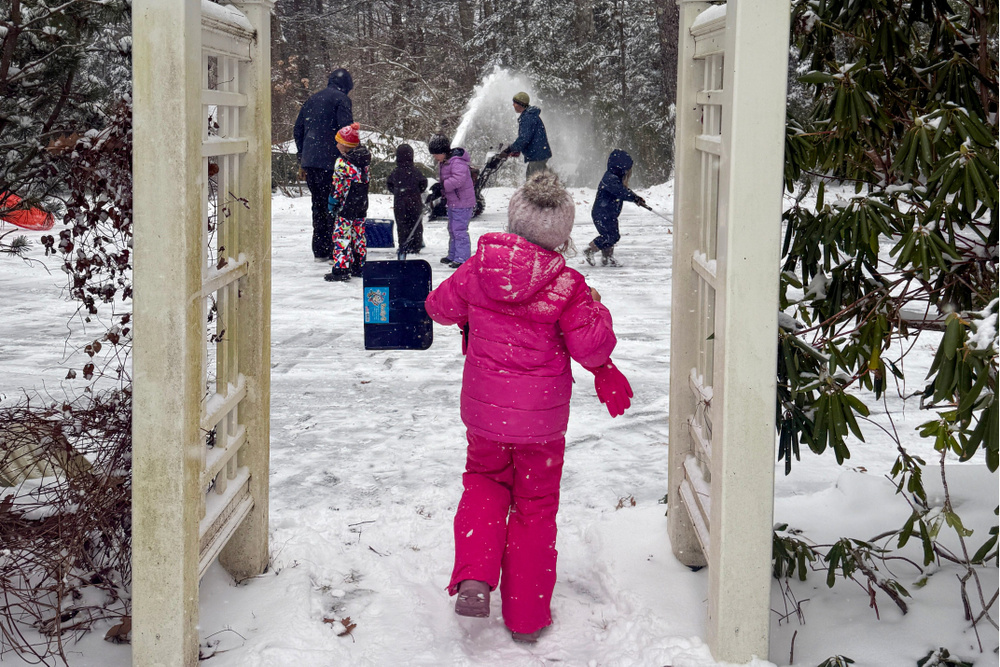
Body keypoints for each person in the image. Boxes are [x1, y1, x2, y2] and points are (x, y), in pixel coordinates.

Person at [424, 173, 633, 644]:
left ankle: (475, 574)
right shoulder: (567, 284)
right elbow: (591, 346)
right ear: (562, 234)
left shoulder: (479, 269)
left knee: (483, 483)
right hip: (541, 421)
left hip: (485, 414)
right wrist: (596, 309)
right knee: (535, 508)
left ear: (514, 220)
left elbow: (438, 308)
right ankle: (526, 616)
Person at [293, 68, 354, 263]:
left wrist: (303, 157)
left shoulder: (311, 100)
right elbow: (346, 133)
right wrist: (352, 157)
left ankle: (319, 248)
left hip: (311, 163)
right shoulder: (341, 100)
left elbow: (298, 129)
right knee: (334, 204)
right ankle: (334, 247)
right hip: (332, 162)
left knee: (318, 204)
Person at [324, 122, 371, 282]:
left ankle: (341, 268)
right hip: (361, 204)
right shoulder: (363, 161)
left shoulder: (342, 163)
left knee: (342, 235)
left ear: (345, 145)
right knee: (359, 235)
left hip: (346, 205)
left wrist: (333, 201)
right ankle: (360, 265)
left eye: (339, 142)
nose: (336, 145)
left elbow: (338, 186)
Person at [584, 149, 645, 268]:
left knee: (612, 235)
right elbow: (621, 192)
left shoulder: (614, 178)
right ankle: (590, 250)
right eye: (627, 169)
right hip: (602, 214)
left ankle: (607, 258)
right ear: (621, 168)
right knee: (610, 236)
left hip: (609, 214)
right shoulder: (610, 178)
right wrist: (634, 198)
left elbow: (624, 191)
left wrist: (636, 198)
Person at [428, 134, 475, 268]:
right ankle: (453, 254)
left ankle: (462, 258)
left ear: (443, 152)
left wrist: (442, 186)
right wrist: (439, 192)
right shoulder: (445, 162)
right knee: (452, 229)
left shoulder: (457, 162)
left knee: (459, 230)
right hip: (453, 201)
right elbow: (448, 181)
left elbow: (458, 180)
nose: (435, 157)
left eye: (436, 154)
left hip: (463, 202)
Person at [386, 144, 428, 255]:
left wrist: (397, 191)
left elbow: (389, 184)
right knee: (415, 223)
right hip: (415, 201)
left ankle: (403, 244)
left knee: (402, 223)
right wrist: (417, 191)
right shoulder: (416, 171)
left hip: (400, 201)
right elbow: (423, 183)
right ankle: (416, 244)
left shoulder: (395, 172)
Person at [500, 92, 552, 178]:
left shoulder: (528, 117)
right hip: (538, 154)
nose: (513, 105)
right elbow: (528, 138)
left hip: (537, 156)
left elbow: (524, 139)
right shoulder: (529, 115)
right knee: (537, 182)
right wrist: (517, 149)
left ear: (521, 104)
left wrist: (510, 149)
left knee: (535, 184)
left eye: (515, 103)